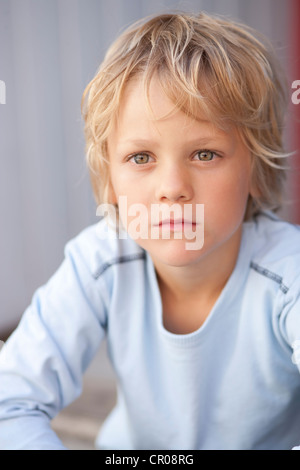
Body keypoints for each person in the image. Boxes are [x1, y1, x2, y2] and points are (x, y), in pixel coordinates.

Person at [0, 11, 300, 451]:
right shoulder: (100, 262)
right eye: (141, 158)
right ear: (111, 178)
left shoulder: (287, 276)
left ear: (255, 167)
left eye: (205, 154)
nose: (172, 189)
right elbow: (11, 401)